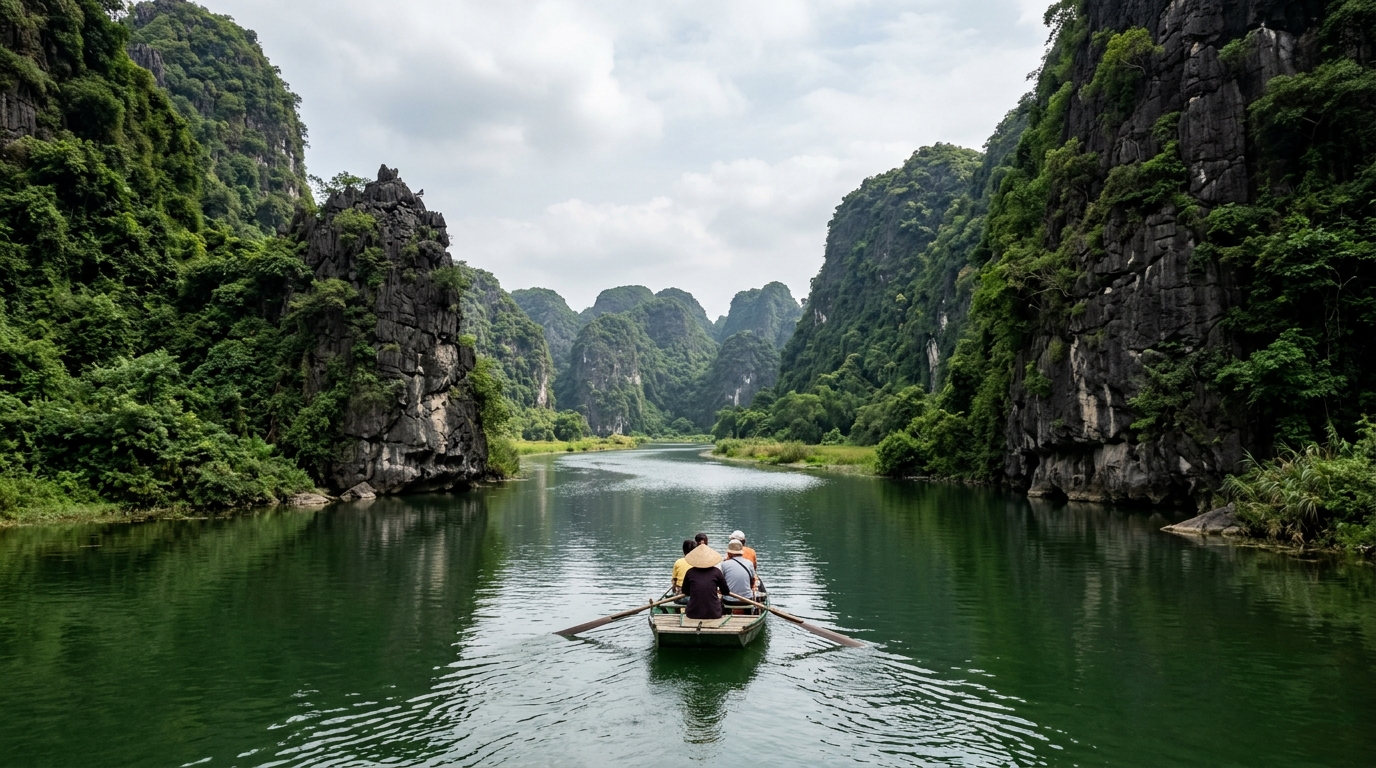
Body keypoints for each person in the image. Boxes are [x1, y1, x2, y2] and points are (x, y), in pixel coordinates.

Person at [680, 544, 730, 619]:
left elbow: (685, 591)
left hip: (693, 613)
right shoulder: (717, 572)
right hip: (714, 613)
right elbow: (725, 591)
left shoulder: (690, 572)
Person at [721, 539, 758, 604]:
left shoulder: (724, 564)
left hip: (729, 600)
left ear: (729, 553)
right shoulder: (749, 563)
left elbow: (722, 581)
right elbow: (752, 580)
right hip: (747, 599)